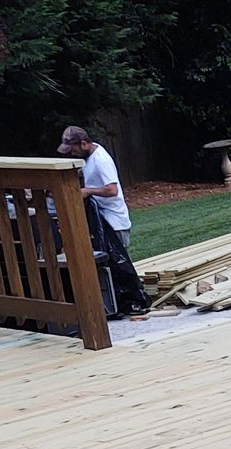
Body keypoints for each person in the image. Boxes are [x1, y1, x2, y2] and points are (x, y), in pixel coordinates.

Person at [58, 125, 148, 317]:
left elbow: (112, 190)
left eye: (73, 148)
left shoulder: (101, 160)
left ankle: (134, 301)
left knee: (120, 264)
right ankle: (118, 304)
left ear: (83, 143)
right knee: (111, 265)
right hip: (103, 222)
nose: (72, 153)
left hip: (114, 222)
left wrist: (88, 191)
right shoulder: (89, 158)